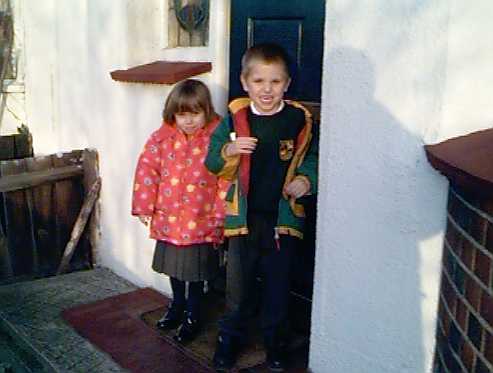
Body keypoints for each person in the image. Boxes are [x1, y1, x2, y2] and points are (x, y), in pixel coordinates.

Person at [205, 43, 318, 372]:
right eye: (259, 81)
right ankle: (229, 341)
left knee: (277, 288)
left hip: (281, 221)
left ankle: (275, 346)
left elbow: (311, 157)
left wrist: (306, 181)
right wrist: (229, 148)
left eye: (275, 81)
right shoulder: (234, 120)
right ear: (244, 82)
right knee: (237, 289)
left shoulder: (299, 120)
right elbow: (212, 162)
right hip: (243, 220)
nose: (267, 89)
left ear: (287, 83)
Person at [131, 79, 229, 344]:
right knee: (175, 269)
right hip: (170, 220)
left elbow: (226, 177)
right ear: (173, 113)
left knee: (195, 273)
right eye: (182, 114)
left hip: (201, 220)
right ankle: (177, 306)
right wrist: (144, 206)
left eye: (195, 114)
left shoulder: (217, 138)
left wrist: (220, 214)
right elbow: (147, 170)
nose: (188, 121)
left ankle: (193, 315)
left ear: (206, 111)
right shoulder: (162, 138)